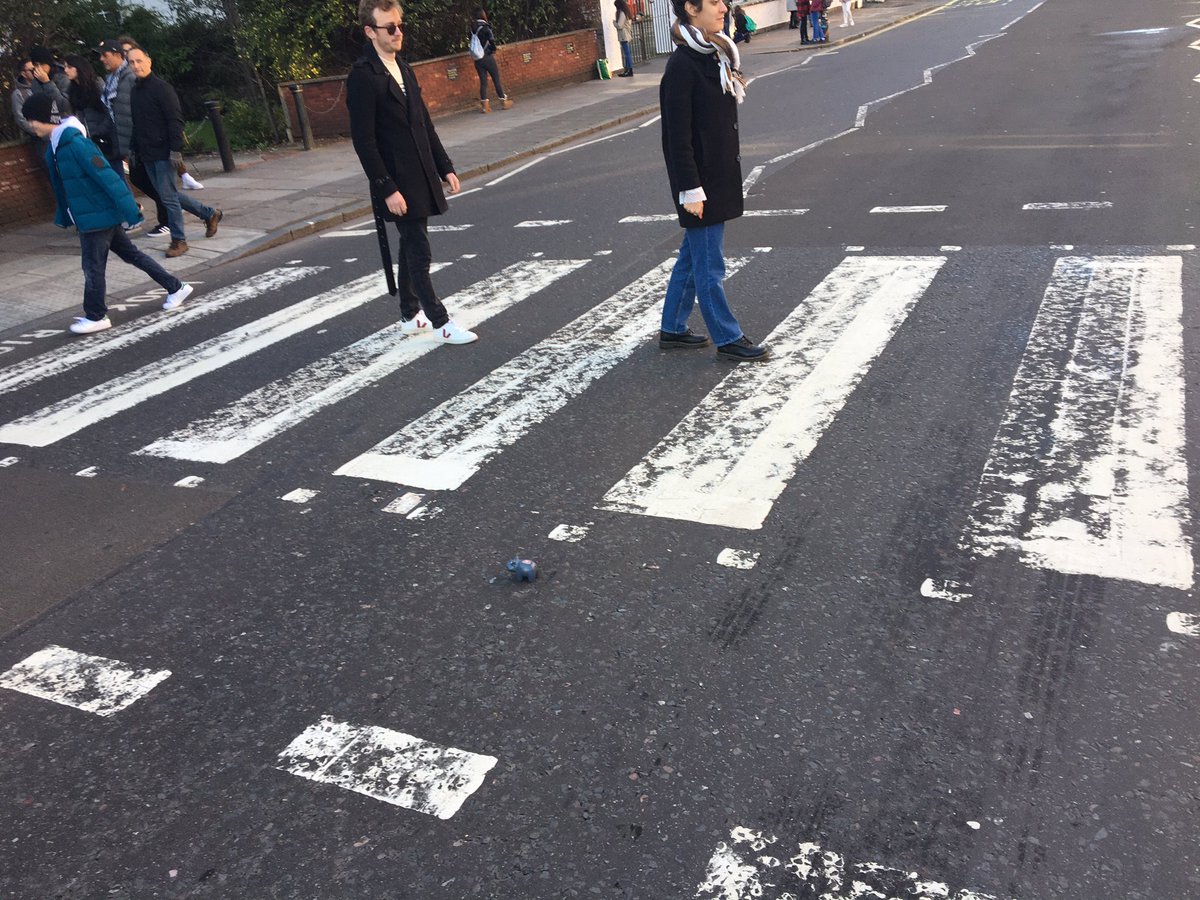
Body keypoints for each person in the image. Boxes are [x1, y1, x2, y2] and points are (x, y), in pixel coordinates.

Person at [348, 0, 478, 345]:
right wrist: (386, 187)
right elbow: (364, 141)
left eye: (399, 25)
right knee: (418, 247)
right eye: (389, 27)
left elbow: (424, 124)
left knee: (410, 243)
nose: (398, 32)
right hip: (396, 179)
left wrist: (445, 166)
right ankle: (441, 322)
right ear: (370, 31)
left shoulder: (403, 67)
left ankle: (409, 313)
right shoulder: (363, 76)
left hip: (420, 171)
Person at [19, 93, 193, 335]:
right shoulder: (59, 144)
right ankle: (175, 287)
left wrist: (131, 210)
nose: (29, 125)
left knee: (92, 267)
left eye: (31, 119)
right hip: (92, 214)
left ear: (47, 117)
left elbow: (108, 178)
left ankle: (96, 315)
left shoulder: (75, 143)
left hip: (96, 216)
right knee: (132, 255)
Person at [658, 0, 768, 362]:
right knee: (710, 266)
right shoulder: (682, 66)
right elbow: (677, 137)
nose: (724, 7)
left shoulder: (714, 55)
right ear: (691, 8)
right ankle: (727, 337)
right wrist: (690, 188)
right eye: (715, 2)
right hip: (700, 184)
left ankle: (672, 329)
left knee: (692, 258)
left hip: (716, 177)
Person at [127, 47, 222, 258]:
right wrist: (134, 148)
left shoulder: (162, 89)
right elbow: (137, 123)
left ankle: (179, 240)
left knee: (167, 197)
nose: (136, 66)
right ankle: (209, 213)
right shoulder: (135, 91)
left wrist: (175, 150)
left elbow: (175, 120)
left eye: (139, 61)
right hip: (147, 152)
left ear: (149, 61)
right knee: (167, 194)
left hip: (164, 151)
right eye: (131, 62)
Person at [98, 39, 168, 236]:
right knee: (143, 179)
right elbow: (113, 112)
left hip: (140, 139)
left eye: (105, 54)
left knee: (153, 182)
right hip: (128, 140)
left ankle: (172, 218)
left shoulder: (128, 77)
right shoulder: (112, 78)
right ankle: (190, 212)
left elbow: (135, 110)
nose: (101, 58)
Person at [63, 55, 119, 165]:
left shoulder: (97, 84)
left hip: (106, 140)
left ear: (79, 68)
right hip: (89, 142)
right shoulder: (72, 90)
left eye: (69, 67)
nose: (65, 70)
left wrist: (98, 132)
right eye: (65, 67)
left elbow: (110, 113)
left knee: (115, 174)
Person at [469, 8, 512, 112]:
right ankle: (503, 101)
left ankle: (485, 106)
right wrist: (493, 50)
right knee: (496, 79)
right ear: (483, 15)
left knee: (483, 82)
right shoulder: (486, 27)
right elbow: (492, 41)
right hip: (487, 57)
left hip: (477, 58)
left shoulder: (472, 28)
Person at [614, 0, 636, 76]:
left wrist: (614, 23)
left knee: (627, 53)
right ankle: (628, 69)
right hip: (626, 34)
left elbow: (619, 25)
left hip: (624, 35)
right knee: (627, 52)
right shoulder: (626, 12)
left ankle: (629, 70)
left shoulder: (622, 13)